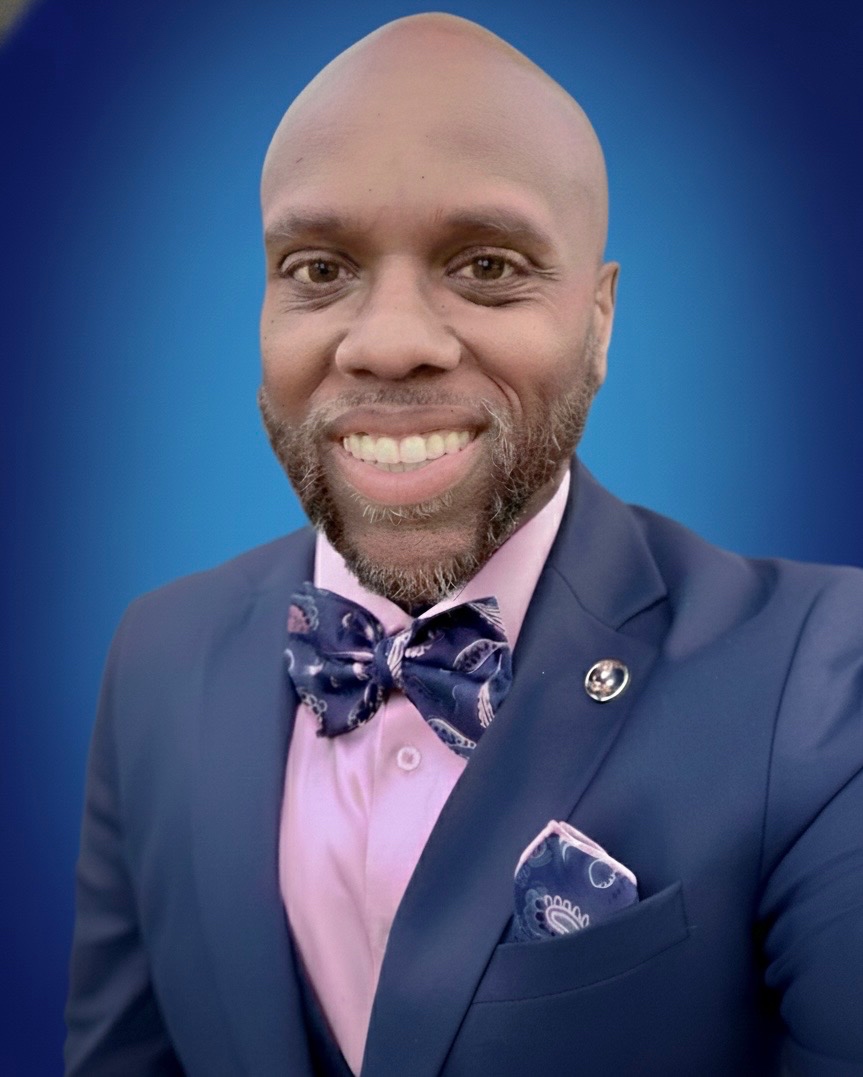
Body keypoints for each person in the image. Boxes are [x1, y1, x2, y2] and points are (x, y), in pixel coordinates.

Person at [64, 13, 863, 1076]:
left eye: (486, 264)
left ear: (599, 318)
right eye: (316, 267)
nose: (390, 342)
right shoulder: (156, 657)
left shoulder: (819, 674)